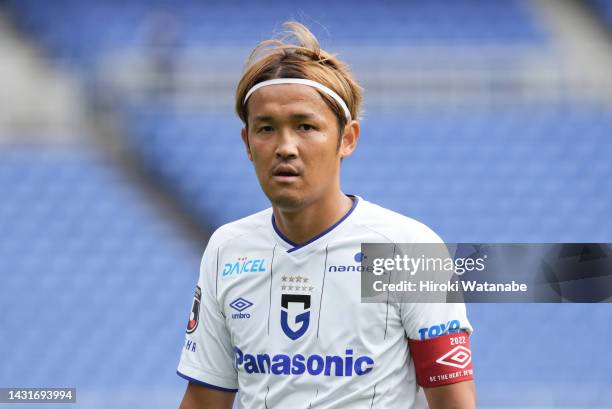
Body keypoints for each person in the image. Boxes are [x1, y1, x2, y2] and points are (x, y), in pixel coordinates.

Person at [177, 21, 475, 409]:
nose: (285, 147)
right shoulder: (227, 248)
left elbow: (453, 403)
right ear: (247, 143)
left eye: (305, 126)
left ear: (347, 138)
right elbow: (204, 399)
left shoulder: (408, 250)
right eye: (266, 128)